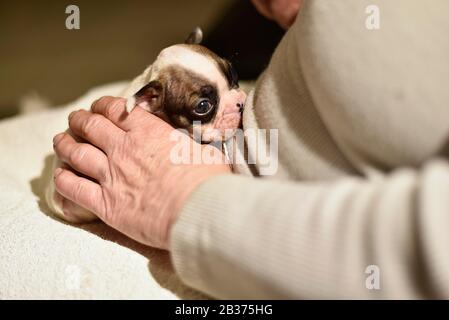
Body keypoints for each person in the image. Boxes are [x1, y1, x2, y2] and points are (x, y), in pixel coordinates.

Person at [51, 0, 449, 299]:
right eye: (208, 104)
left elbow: (424, 252)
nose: (236, 100)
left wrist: (186, 203)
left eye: (231, 82)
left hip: (233, 225)